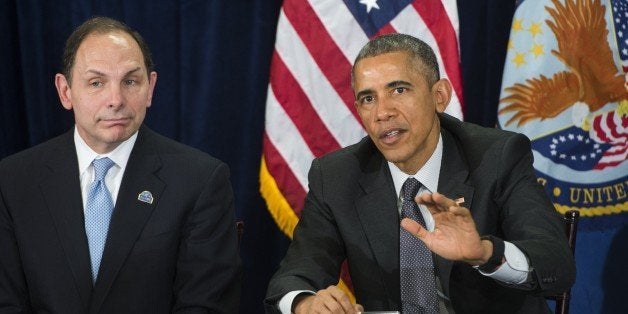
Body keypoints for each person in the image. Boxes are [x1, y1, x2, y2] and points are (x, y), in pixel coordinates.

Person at [265, 33, 575, 313]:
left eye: (398, 90)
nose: (382, 112)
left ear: (439, 95)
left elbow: (556, 266)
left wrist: (485, 253)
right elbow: (293, 276)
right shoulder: (336, 175)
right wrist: (306, 305)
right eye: (368, 98)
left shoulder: (496, 156)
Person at [0, 17, 240, 313]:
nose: (116, 100)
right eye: (96, 82)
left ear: (150, 87)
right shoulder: (12, 181)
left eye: (130, 81)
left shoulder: (201, 181)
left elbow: (205, 306)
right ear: (65, 91)